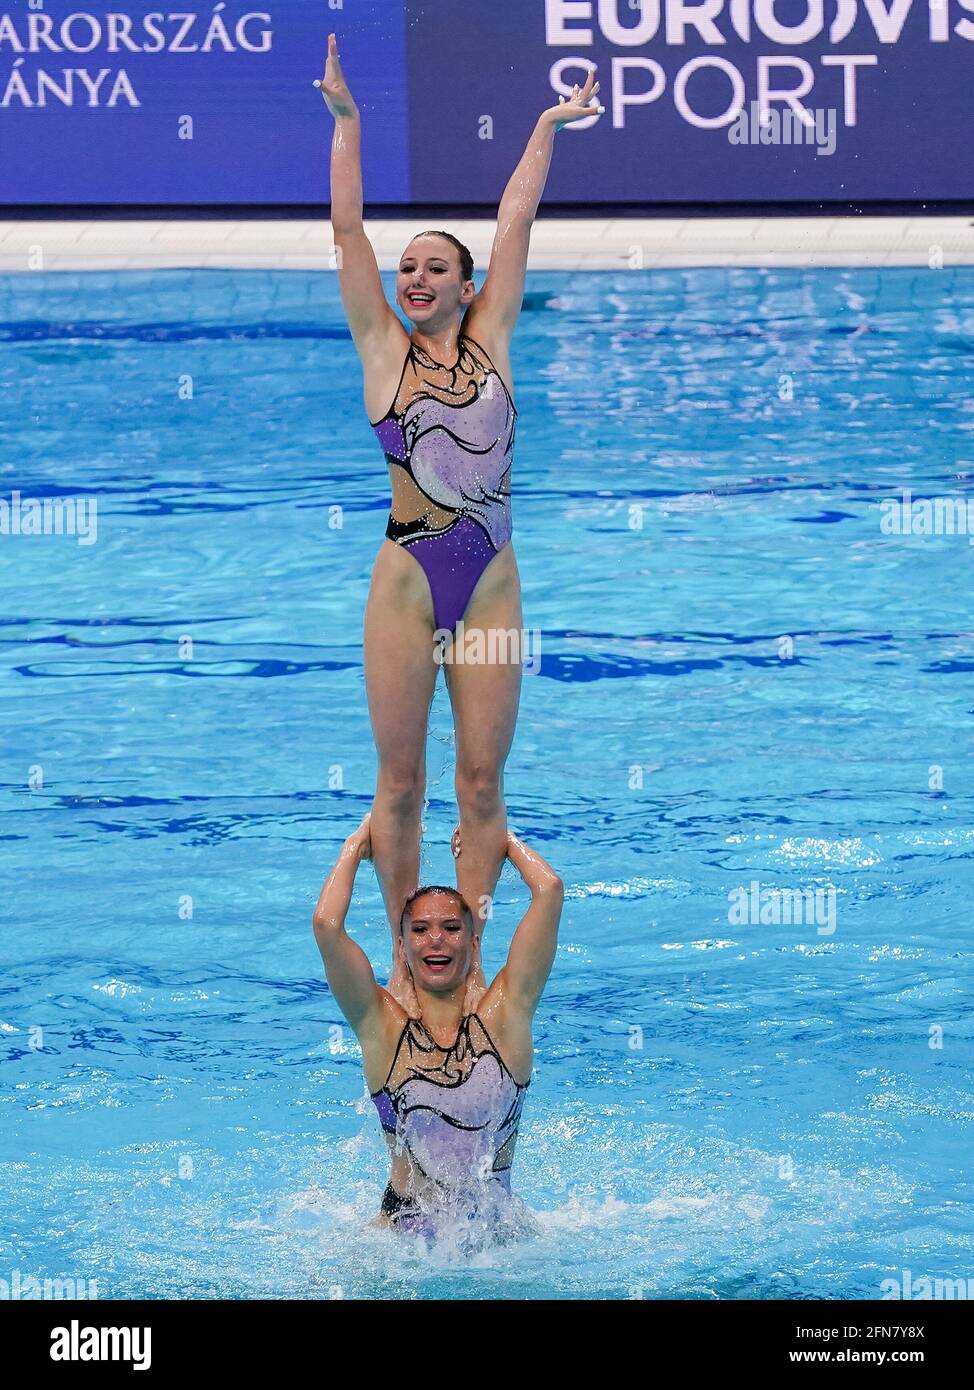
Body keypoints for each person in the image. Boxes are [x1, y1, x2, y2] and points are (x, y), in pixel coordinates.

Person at [318, 32, 599, 1005]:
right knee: (398, 786)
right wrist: (347, 126)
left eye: (435, 268)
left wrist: (543, 126)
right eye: (409, 269)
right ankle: (408, 955)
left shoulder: (493, 336)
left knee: (479, 787)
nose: (415, 278)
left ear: (467, 284)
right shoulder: (379, 351)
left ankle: (464, 958)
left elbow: (516, 212)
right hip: (405, 581)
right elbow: (346, 234)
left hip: (487, 587)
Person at [312, 813, 564, 1242]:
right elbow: (326, 927)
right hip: (402, 1234)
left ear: (473, 941)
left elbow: (550, 891)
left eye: (451, 928)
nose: (436, 940)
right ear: (403, 945)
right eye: (421, 930)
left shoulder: (505, 1018)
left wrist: (504, 841)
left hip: (498, 1237)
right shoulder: (384, 1028)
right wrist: (355, 846)